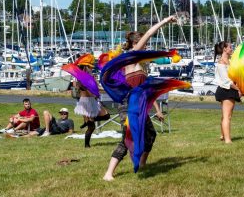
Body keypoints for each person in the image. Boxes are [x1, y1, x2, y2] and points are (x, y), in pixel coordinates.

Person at [103, 15, 176, 181]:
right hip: (128, 105)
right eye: (145, 44)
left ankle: (142, 164)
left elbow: (147, 90)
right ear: (136, 44)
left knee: (150, 134)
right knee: (128, 138)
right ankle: (108, 173)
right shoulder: (132, 56)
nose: (147, 47)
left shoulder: (141, 64)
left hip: (140, 104)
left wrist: (156, 109)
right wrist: (165, 21)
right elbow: (149, 33)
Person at [74, 65, 110, 148]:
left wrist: (101, 88)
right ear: (85, 68)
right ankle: (87, 145)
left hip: (92, 101)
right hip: (86, 102)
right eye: (89, 67)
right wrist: (94, 91)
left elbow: (96, 88)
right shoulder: (81, 79)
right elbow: (85, 90)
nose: (91, 68)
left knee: (106, 115)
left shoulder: (91, 77)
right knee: (91, 127)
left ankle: (88, 121)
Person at [214, 41, 242, 144]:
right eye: (230, 47)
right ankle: (227, 140)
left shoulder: (229, 61)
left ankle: (223, 135)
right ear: (225, 49)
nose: (231, 49)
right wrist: (238, 89)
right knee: (227, 116)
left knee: (226, 115)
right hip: (226, 90)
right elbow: (227, 81)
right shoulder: (221, 63)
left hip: (230, 89)